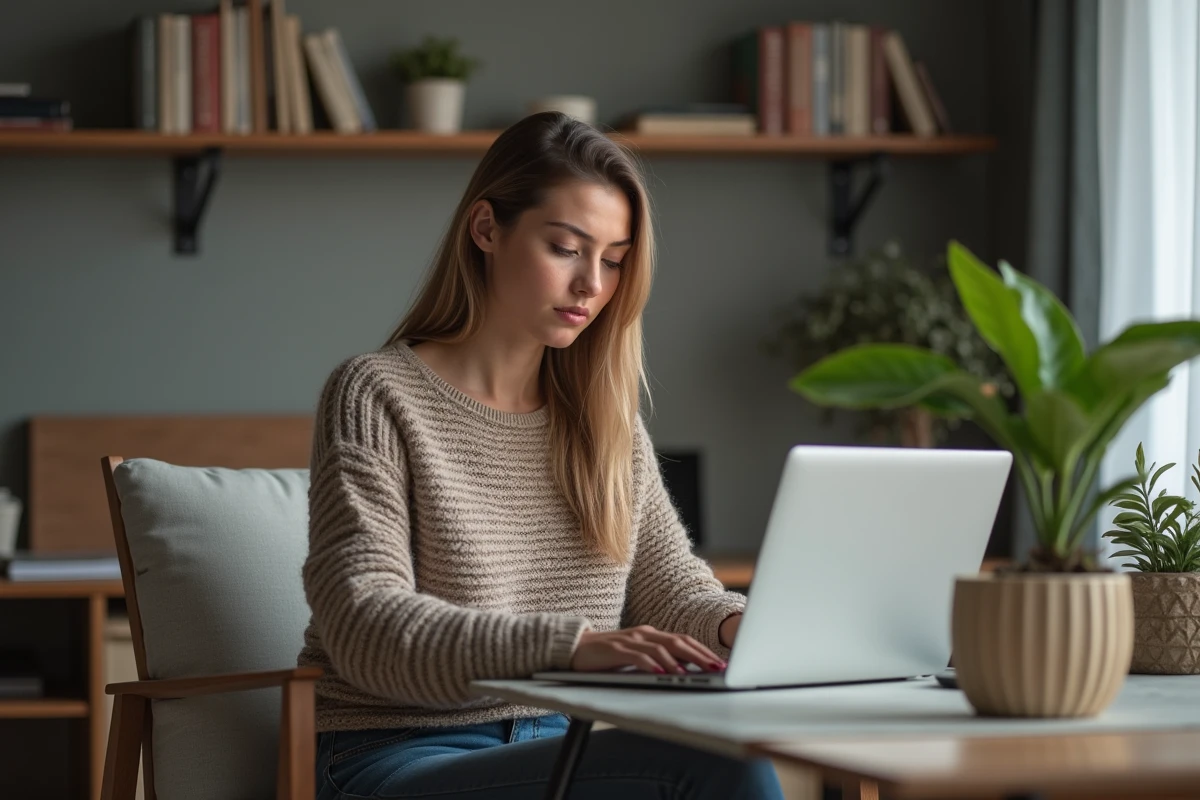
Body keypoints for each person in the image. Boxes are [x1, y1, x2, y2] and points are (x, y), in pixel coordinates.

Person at [300, 111, 784, 800]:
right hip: (397, 755)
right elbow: (364, 624)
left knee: (737, 744)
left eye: (614, 260)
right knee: (721, 767)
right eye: (567, 248)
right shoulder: (376, 394)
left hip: (563, 746)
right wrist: (573, 645)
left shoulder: (601, 419)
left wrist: (745, 626)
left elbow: (672, 589)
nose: (592, 284)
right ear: (488, 230)